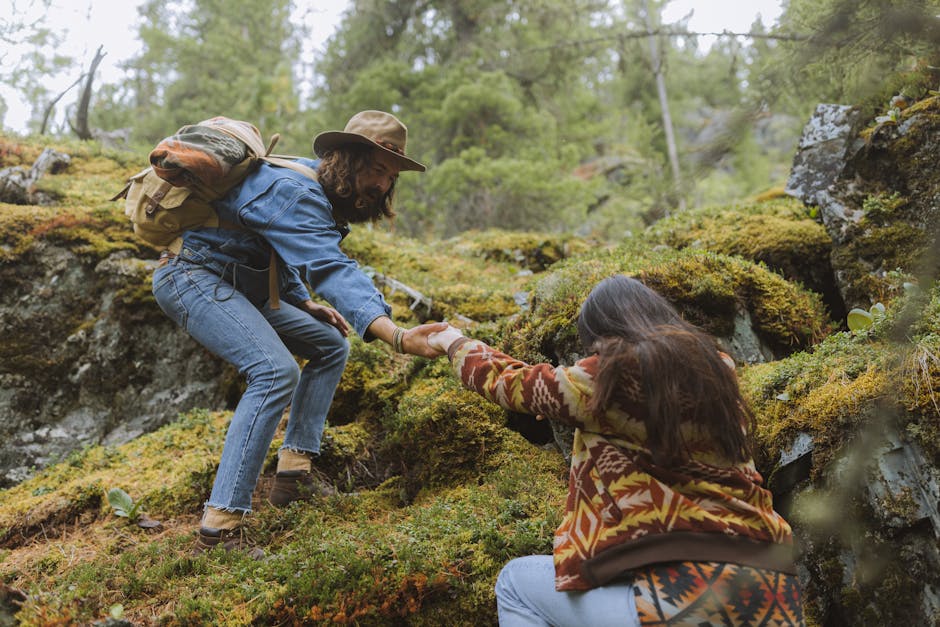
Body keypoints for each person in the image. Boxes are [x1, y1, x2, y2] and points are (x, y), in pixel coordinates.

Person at [427, 275, 804, 626]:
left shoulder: (612, 374)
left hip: (687, 596)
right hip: (774, 594)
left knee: (516, 583)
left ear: (602, 335)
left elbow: (510, 383)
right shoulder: (718, 373)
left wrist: (453, 341)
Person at [151, 110, 447, 554]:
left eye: (390, 177)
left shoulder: (308, 183)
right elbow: (329, 266)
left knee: (329, 344)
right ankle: (221, 527)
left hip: (237, 281)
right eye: (376, 169)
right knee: (274, 372)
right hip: (192, 277)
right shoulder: (296, 189)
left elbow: (275, 243)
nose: (382, 186)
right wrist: (397, 334)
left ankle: (293, 474)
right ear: (345, 159)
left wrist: (301, 301)